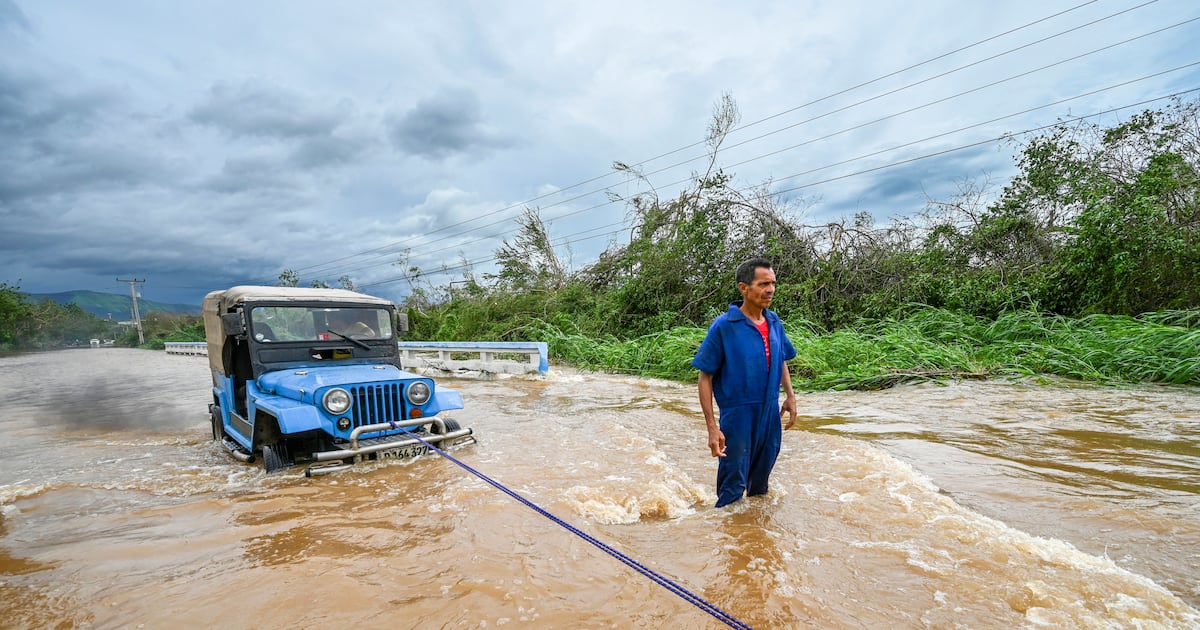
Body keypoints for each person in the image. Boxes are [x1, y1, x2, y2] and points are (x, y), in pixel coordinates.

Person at [692, 258, 798, 508]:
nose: (770, 289)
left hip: (770, 415)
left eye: (772, 283)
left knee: (760, 489)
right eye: (763, 284)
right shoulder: (724, 326)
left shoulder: (774, 322)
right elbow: (704, 377)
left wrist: (790, 396)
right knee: (732, 490)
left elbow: (782, 357)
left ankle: (754, 539)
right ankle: (727, 541)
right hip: (737, 417)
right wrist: (712, 427)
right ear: (744, 288)